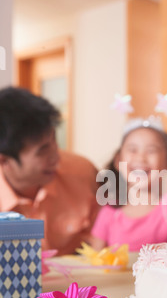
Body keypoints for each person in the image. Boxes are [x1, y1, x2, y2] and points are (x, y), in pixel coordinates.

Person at [0, 86, 99, 255]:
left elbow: (109, 242)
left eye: (54, 139)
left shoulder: (83, 173)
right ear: (4, 160)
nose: (56, 157)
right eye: (43, 150)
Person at [90, 117, 167, 251]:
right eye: (132, 149)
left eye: (151, 150)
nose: (141, 157)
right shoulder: (110, 212)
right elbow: (95, 260)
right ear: (118, 160)